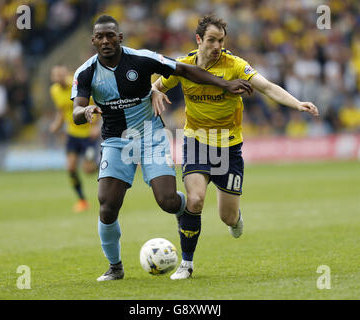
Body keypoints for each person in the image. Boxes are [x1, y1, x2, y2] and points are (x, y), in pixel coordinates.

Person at [71, 14, 252, 281]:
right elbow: (75, 111)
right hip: (116, 141)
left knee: (168, 201)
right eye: (100, 37)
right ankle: (115, 267)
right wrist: (84, 110)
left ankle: (185, 212)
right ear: (94, 41)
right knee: (107, 205)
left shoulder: (143, 59)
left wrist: (225, 84)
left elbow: (184, 69)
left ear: (120, 38)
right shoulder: (85, 72)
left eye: (111, 35)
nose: (106, 41)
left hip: (150, 136)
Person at [152, 14, 319, 280]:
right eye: (211, 40)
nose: (217, 45)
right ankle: (186, 263)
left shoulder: (235, 65)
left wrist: (297, 103)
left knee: (227, 218)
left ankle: (235, 216)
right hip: (196, 141)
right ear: (199, 40)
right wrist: (154, 92)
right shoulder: (183, 65)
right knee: (194, 201)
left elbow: (267, 87)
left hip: (229, 147)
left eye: (220, 40)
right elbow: (156, 86)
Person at [49, 65, 99, 213]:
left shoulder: (77, 85)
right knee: (70, 167)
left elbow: (95, 103)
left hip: (88, 133)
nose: (58, 78)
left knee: (89, 170)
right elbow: (62, 110)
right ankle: (82, 200)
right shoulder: (54, 91)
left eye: (60, 75)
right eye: (55, 76)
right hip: (72, 133)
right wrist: (56, 125)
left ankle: (100, 164)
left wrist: (97, 126)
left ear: (66, 75)